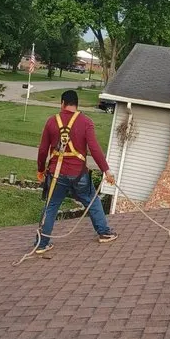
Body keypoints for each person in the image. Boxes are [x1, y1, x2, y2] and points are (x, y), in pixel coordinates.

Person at [35, 89, 117, 253]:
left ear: (62, 103)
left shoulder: (52, 122)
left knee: (51, 207)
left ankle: (42, 244)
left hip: (56, 174)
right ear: (76, 105)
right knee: (92, 202)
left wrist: (41, 170)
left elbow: (43, 150)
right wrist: (106, 171)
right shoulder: (86, 122)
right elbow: (94, 149)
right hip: (78, 174)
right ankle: (104, 233)